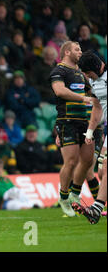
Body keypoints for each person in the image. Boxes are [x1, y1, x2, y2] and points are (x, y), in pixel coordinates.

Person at [49, 41, 98, 217]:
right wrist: (84, 99)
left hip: (84, 122)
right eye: (77, 49)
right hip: (67, 121)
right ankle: (63, 197)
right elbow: (60, 91)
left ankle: (74, 194)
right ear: (67, 52)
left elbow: (94, 93)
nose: (80, 52)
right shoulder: (59, 71)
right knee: (70, 161)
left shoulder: (81, 74)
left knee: (87, 160)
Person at [69, 51, 106, 223]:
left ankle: (96, 208)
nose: (86, 76)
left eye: (87, 72)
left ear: (97, 67)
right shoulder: (92, 81)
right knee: (101, 171)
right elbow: (97, 107)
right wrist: (90, 131)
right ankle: (98, 207)